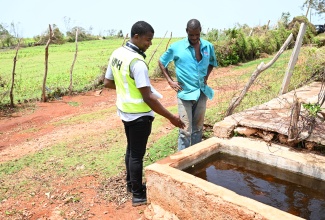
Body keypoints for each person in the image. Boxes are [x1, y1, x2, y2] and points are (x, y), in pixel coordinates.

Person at [104, 21, 185, 207]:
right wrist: (171, 117)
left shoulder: (117, 53)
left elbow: (108, 82)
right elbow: (148, 97)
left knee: (131, 150)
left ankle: (130, 186)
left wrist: (127, 86)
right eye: (148, 40)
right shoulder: (137, 63)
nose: (149, 43)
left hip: (125, 111)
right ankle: (139, 195)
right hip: (139, 115)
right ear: (136, 37)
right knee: (136, 155)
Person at [158, 19, 218, 151]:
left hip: (201, 92)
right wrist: (170, 81)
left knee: (198, 129)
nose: (194, 38)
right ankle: (182, 161)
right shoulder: (177, 47)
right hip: (185, 93)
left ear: (200, 31)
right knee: (185, 130)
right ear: (187, 32)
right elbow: (162, 62)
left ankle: (195, 158)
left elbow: (212, 62)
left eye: (197, 35)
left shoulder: (208, 46)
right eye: (191, 35)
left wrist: (206, 76)